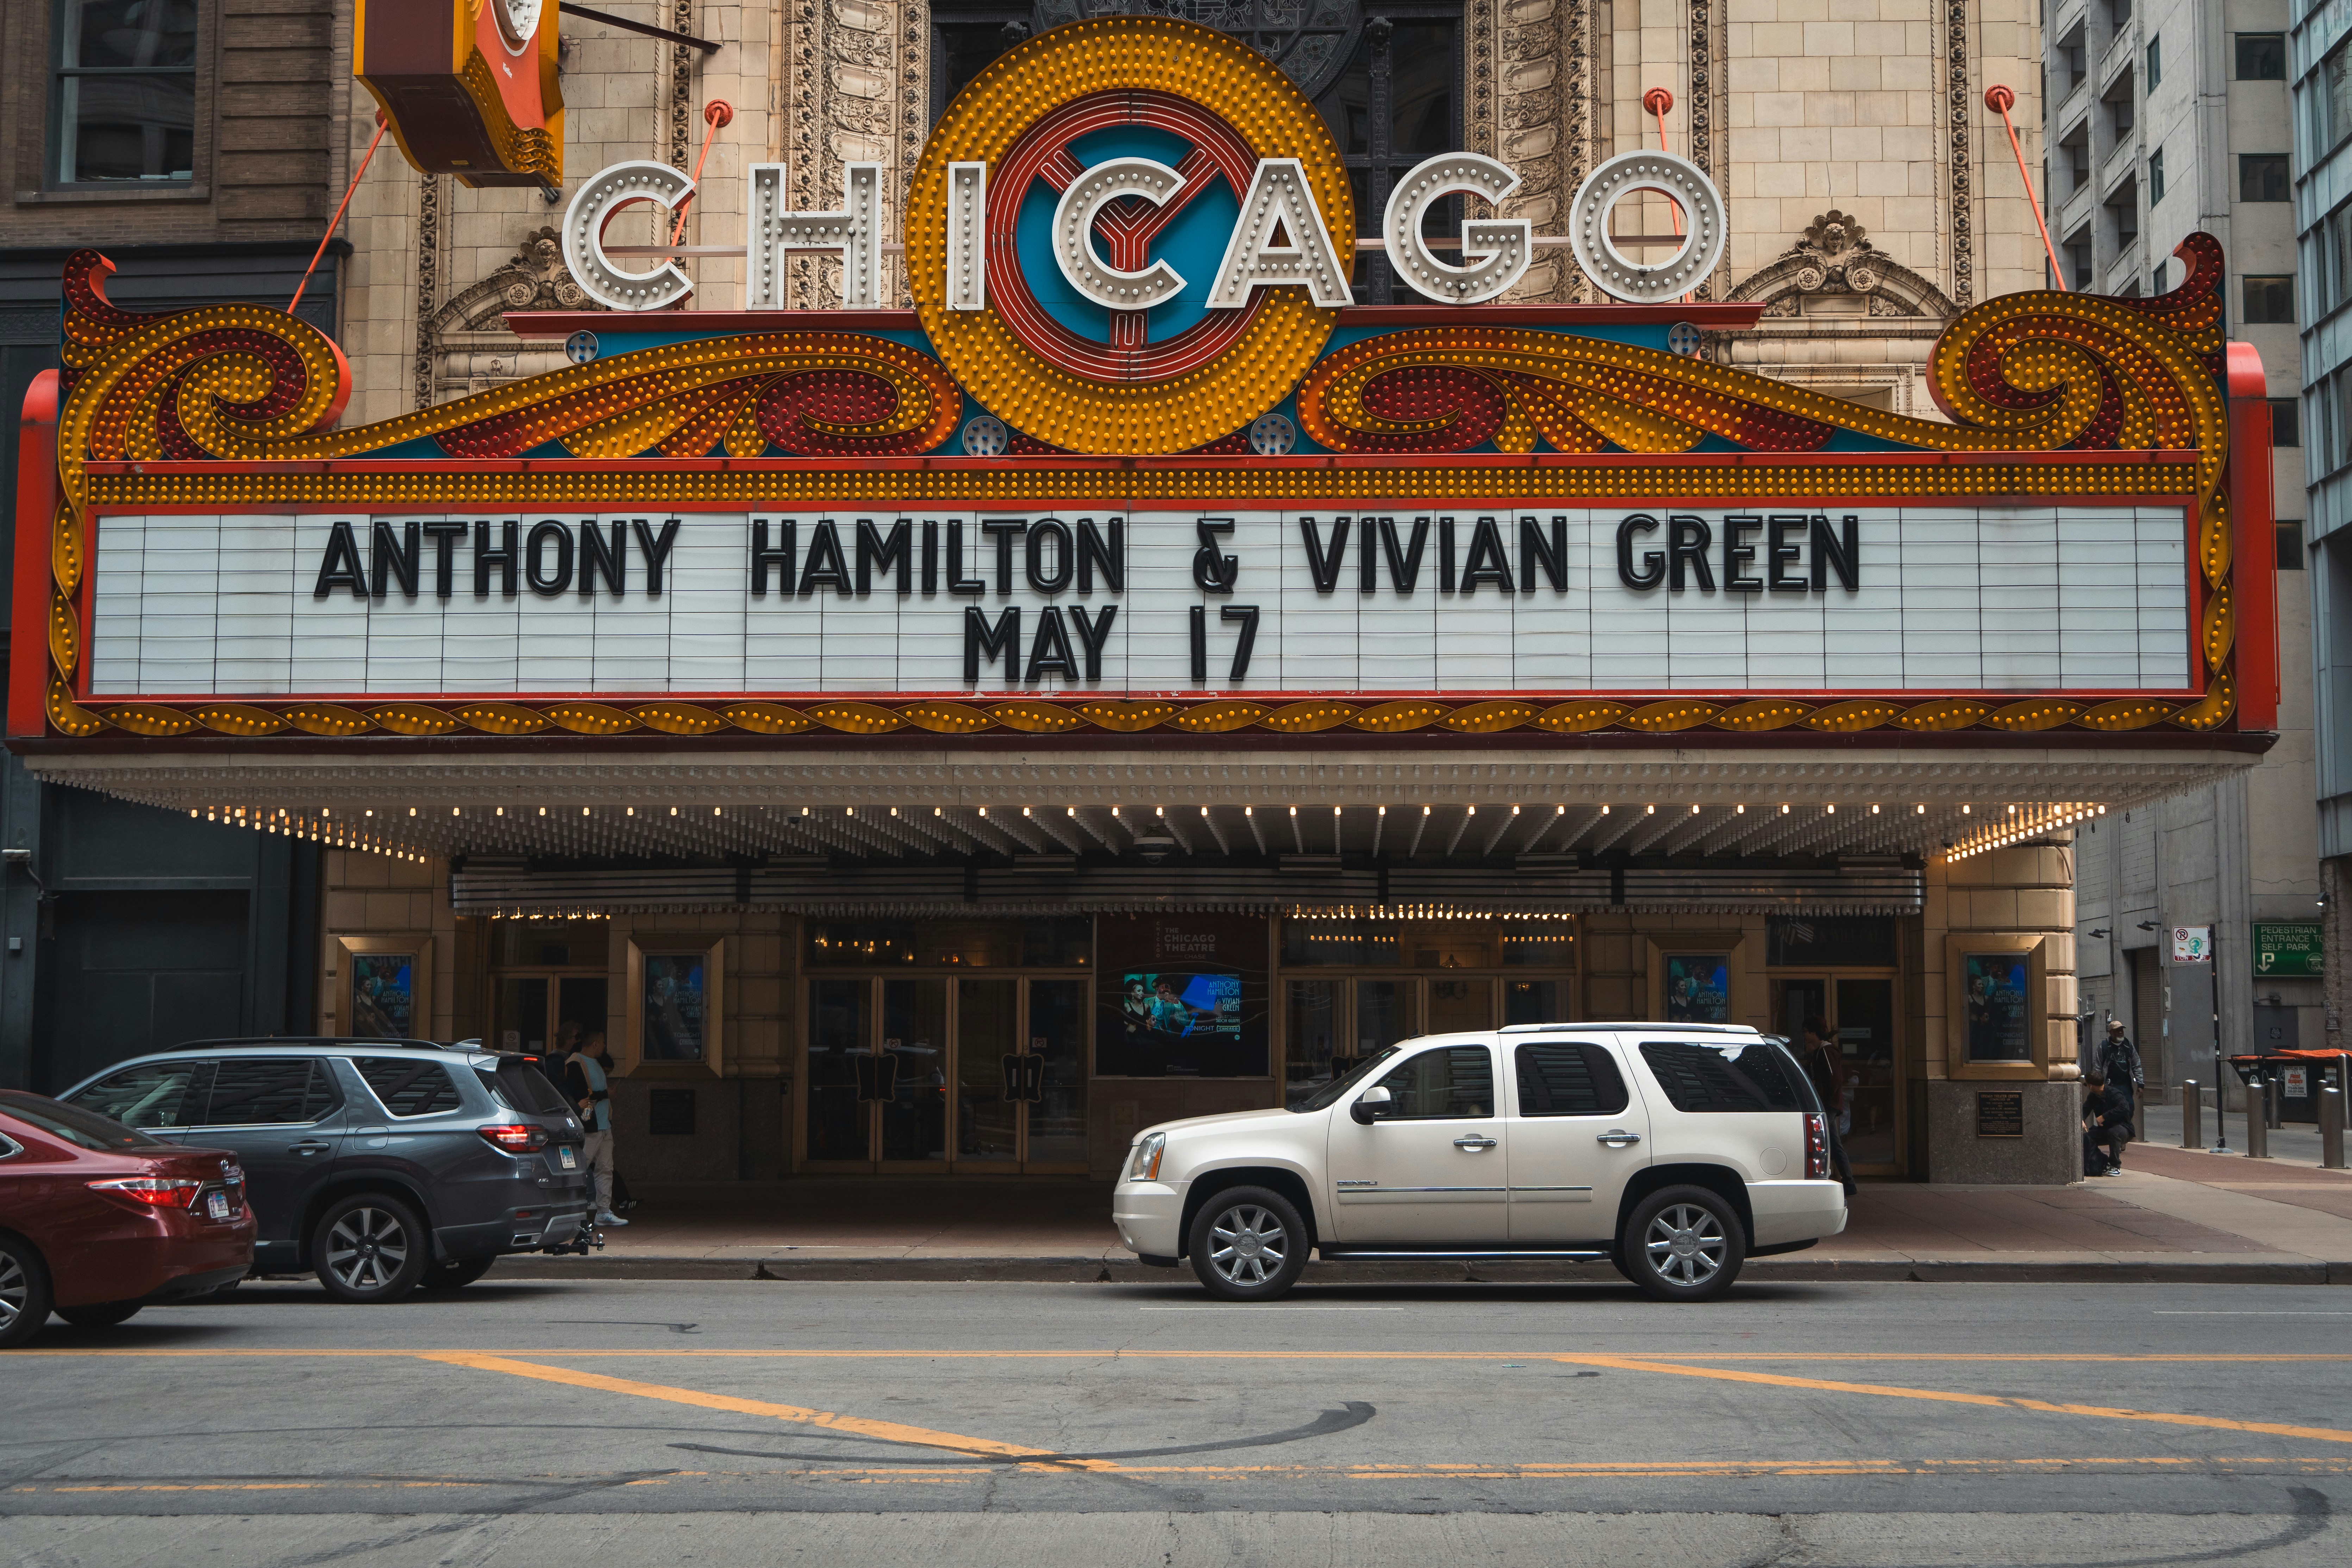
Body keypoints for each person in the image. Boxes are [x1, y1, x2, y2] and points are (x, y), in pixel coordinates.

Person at [563, 1032, 627, 1227]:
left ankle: (604, 1212)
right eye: (603, 1044)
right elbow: (580, 1094)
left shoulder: (595, 1064)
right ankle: (569, 1210)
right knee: (581, 1168)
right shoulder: (575, 1063)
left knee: (605, 1169)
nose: (604, 1048)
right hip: (590, 1125)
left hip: (603, 1125)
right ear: (596, 1044)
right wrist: (605, 1094)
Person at [1799, 1018, 1857, 1198]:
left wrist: (1827, 1103)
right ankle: (1848, 1183)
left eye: (1807, 1032)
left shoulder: (1826, 1052)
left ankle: (1830, 1179)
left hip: (1827, 1106)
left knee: (1821, 1141)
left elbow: (1834, 1079)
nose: (1805, 1035)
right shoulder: (1819, 1052)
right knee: (1834, 1143)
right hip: (1827, 1105)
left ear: (1815, 1033)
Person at [2083, 1072, 2131, 1177]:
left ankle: (2116, 1166)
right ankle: (2103, 1162)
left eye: (2086, 1084)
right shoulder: (2093, 1096)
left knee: (2113, 1132)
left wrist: (2104, 1117)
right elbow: (2085, 1109)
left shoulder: (2114, 1093)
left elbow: (2124, 1108)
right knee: (2086, 1138)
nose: (2086, 1087)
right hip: (2104, 1130)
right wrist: (2082, 1119)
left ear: (2091, 1086)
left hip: (2123, 1129)